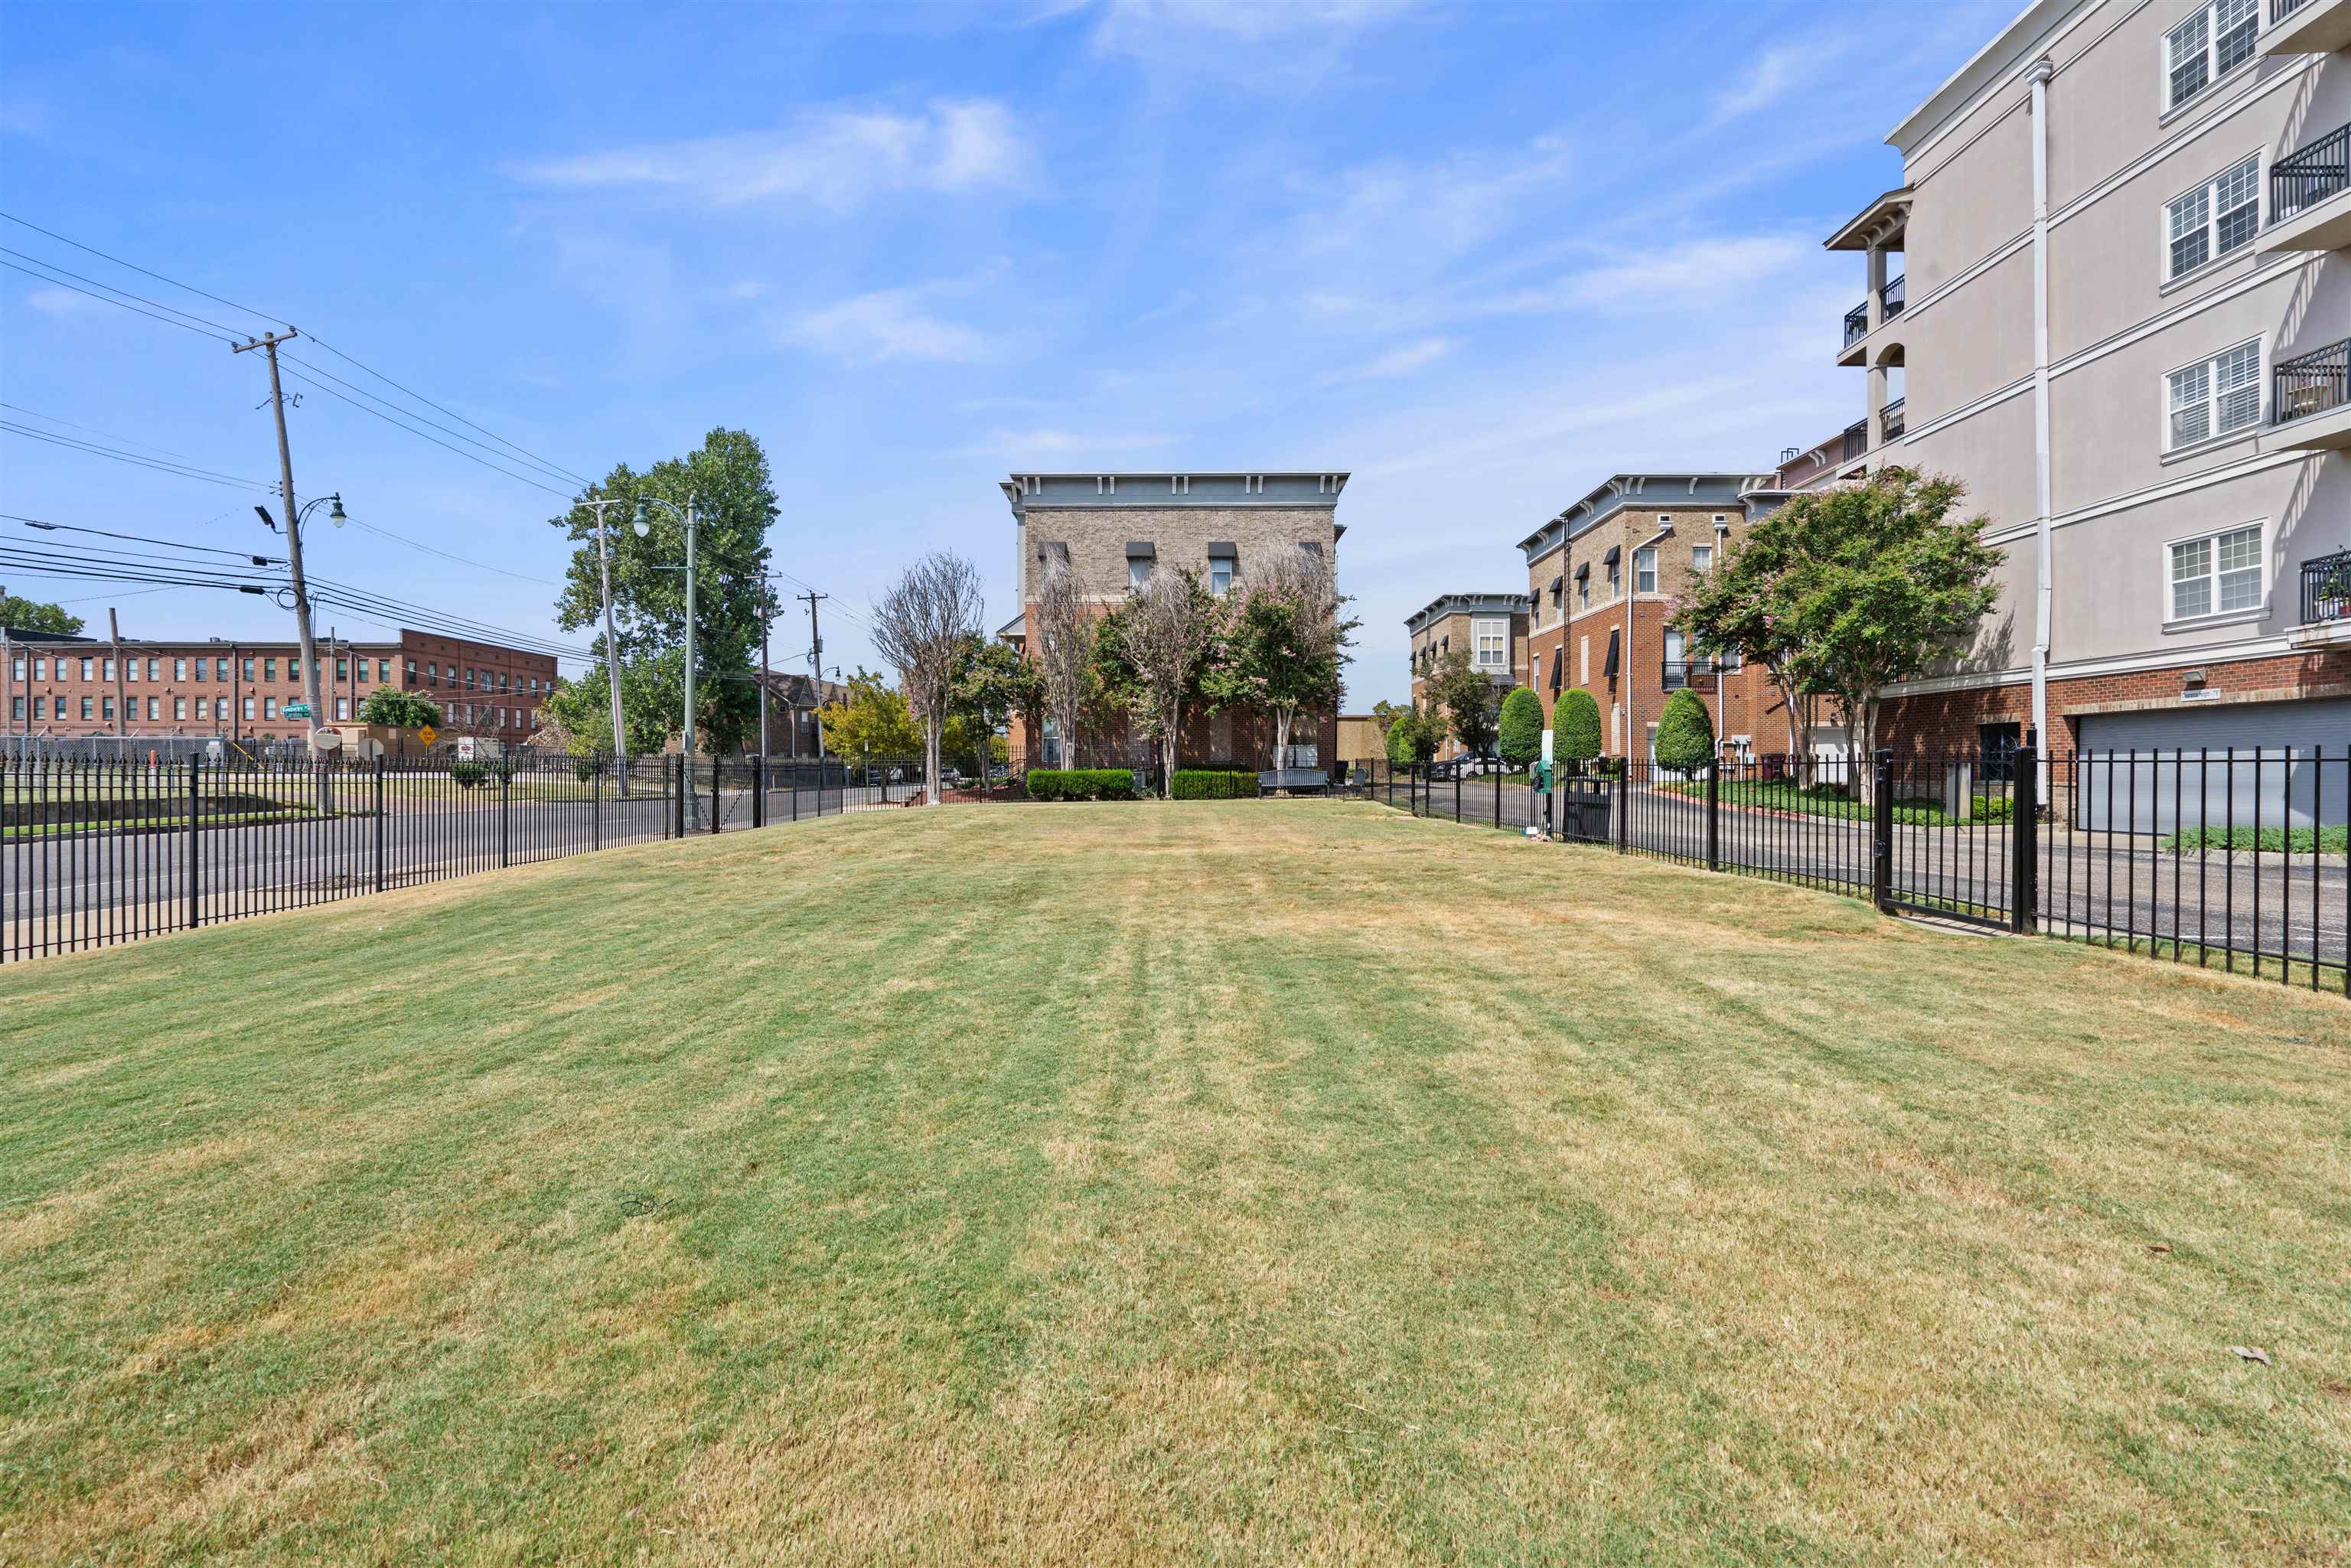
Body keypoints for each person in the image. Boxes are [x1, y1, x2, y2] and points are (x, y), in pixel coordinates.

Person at [1533, 755, 1554, 837]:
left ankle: (1549, 831)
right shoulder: (1540, 771)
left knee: (1548, 809)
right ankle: (1547, 832)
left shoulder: (1546, 771)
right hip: (1542, 787)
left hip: (1545, 787)